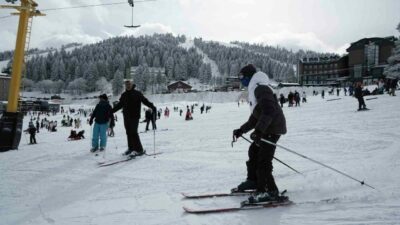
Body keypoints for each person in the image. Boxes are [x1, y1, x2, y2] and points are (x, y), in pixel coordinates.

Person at [232, 64, 287, 203]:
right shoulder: (255, 88)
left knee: (263, 160)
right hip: (267, 127)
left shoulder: (260, 88)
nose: (240, 79)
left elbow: (269, 110)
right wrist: (241, 130)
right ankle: (254, 181)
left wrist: (259, 131)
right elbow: (256, 117)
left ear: (249, 76)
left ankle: (269, 191)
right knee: (254, 151)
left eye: (242, 76)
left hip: (272, 128)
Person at [113, 80, 156, 156]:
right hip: (126, 117)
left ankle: (139, 149)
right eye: (126, 85)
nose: (128, 86)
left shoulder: (137, 94)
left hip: (135, 116)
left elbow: (145, 101)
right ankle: (131, 148)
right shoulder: (124, 95)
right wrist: (111, 111)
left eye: (129, 84)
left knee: (134, 132)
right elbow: (119, 105)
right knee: (128, 132)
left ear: (132, 84)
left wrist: (152, 106)